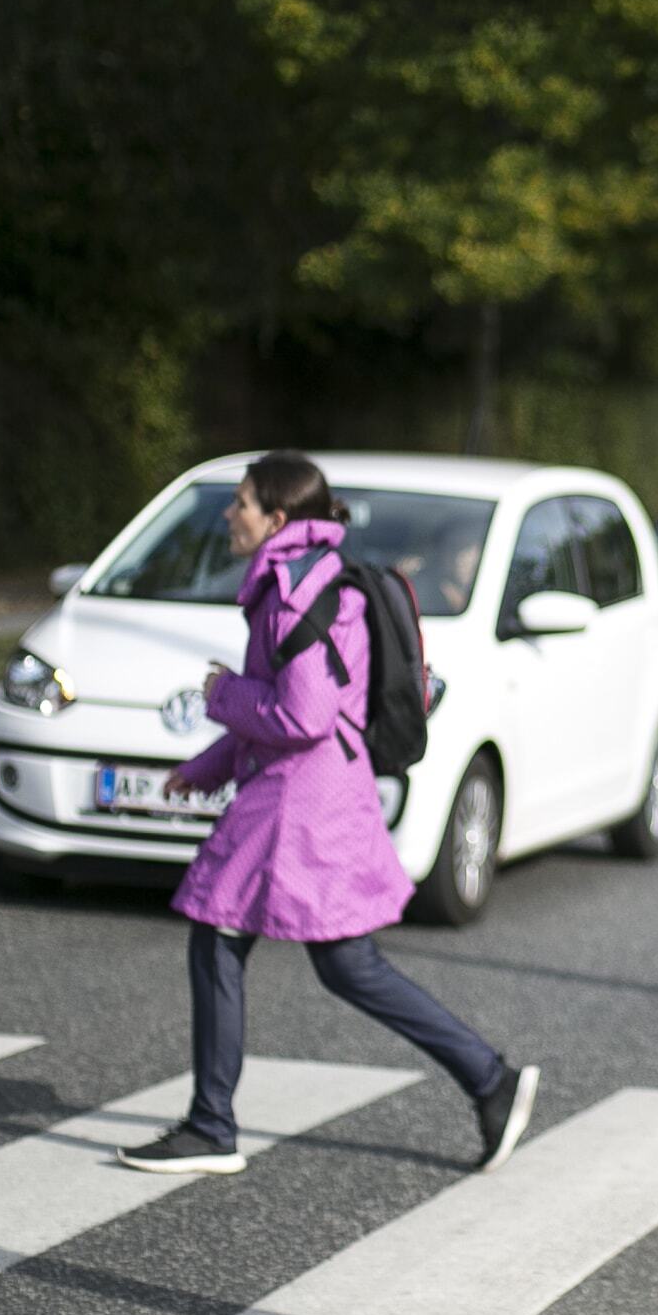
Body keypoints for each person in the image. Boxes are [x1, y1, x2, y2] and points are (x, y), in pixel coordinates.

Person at [120, 451, 540, 1178]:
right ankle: (489, 1079)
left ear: (277, 518)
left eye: (242, 503)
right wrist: (206, 767)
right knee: (348, 966)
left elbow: (303, 714)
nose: (230, 515)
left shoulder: (293, 592)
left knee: (218, 936)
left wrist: (221, 694)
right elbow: (297, 708)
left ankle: (212, 1126)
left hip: (294, 805)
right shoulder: (309, 579)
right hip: (323, 793)